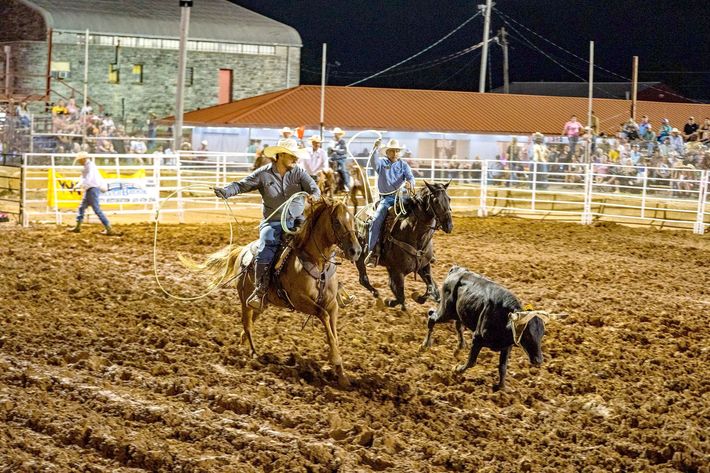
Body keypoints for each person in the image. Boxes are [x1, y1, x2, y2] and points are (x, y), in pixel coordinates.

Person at [213, 142, 320, 310]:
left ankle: (333, 286)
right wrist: (226, 191)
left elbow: (314, 188)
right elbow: (241, 185)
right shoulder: (263, 175)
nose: (296, 158)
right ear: (281, 155)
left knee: (319, 242)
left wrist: (314, 195)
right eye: (292, 155)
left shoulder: (299, 173)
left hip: (298, 221)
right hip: (273, 222)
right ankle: (260, 290)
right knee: (266, 246)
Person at [363, 138, 416, 268]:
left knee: (419, 212)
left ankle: (425, 248)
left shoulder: (404, 165)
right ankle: (372, 252)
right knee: (376, 221)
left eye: (397, 151)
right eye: (392, 151)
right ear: (387, 153)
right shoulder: (382, 164)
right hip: (386, 199)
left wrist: (410, 183)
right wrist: (375, 149)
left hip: (402, 197)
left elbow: (410, 177)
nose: (395, 153)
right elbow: (373, 162)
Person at [68, 152, 115, 235]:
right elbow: (84, 178)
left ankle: (108, 228)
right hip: (90, 189)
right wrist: (78, 186)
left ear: (83, 159)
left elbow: (87, 178)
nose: (79, 162)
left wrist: (80, 186)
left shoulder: (89, 166)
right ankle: (78, 227)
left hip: (92, 189)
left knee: (96, 209)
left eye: (79, 160)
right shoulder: (88, 166)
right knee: (82, 208)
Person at [329, 127, 350, 192]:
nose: (336, 135)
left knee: (342, 170)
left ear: (340, 134)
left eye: (337, 134)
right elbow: (329, 151)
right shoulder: (332, 142)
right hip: (333, 159)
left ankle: (347, 185)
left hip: (341, 159)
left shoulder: (342, 142)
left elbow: (344, 151)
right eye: (335, 134)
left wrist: (335, 150)